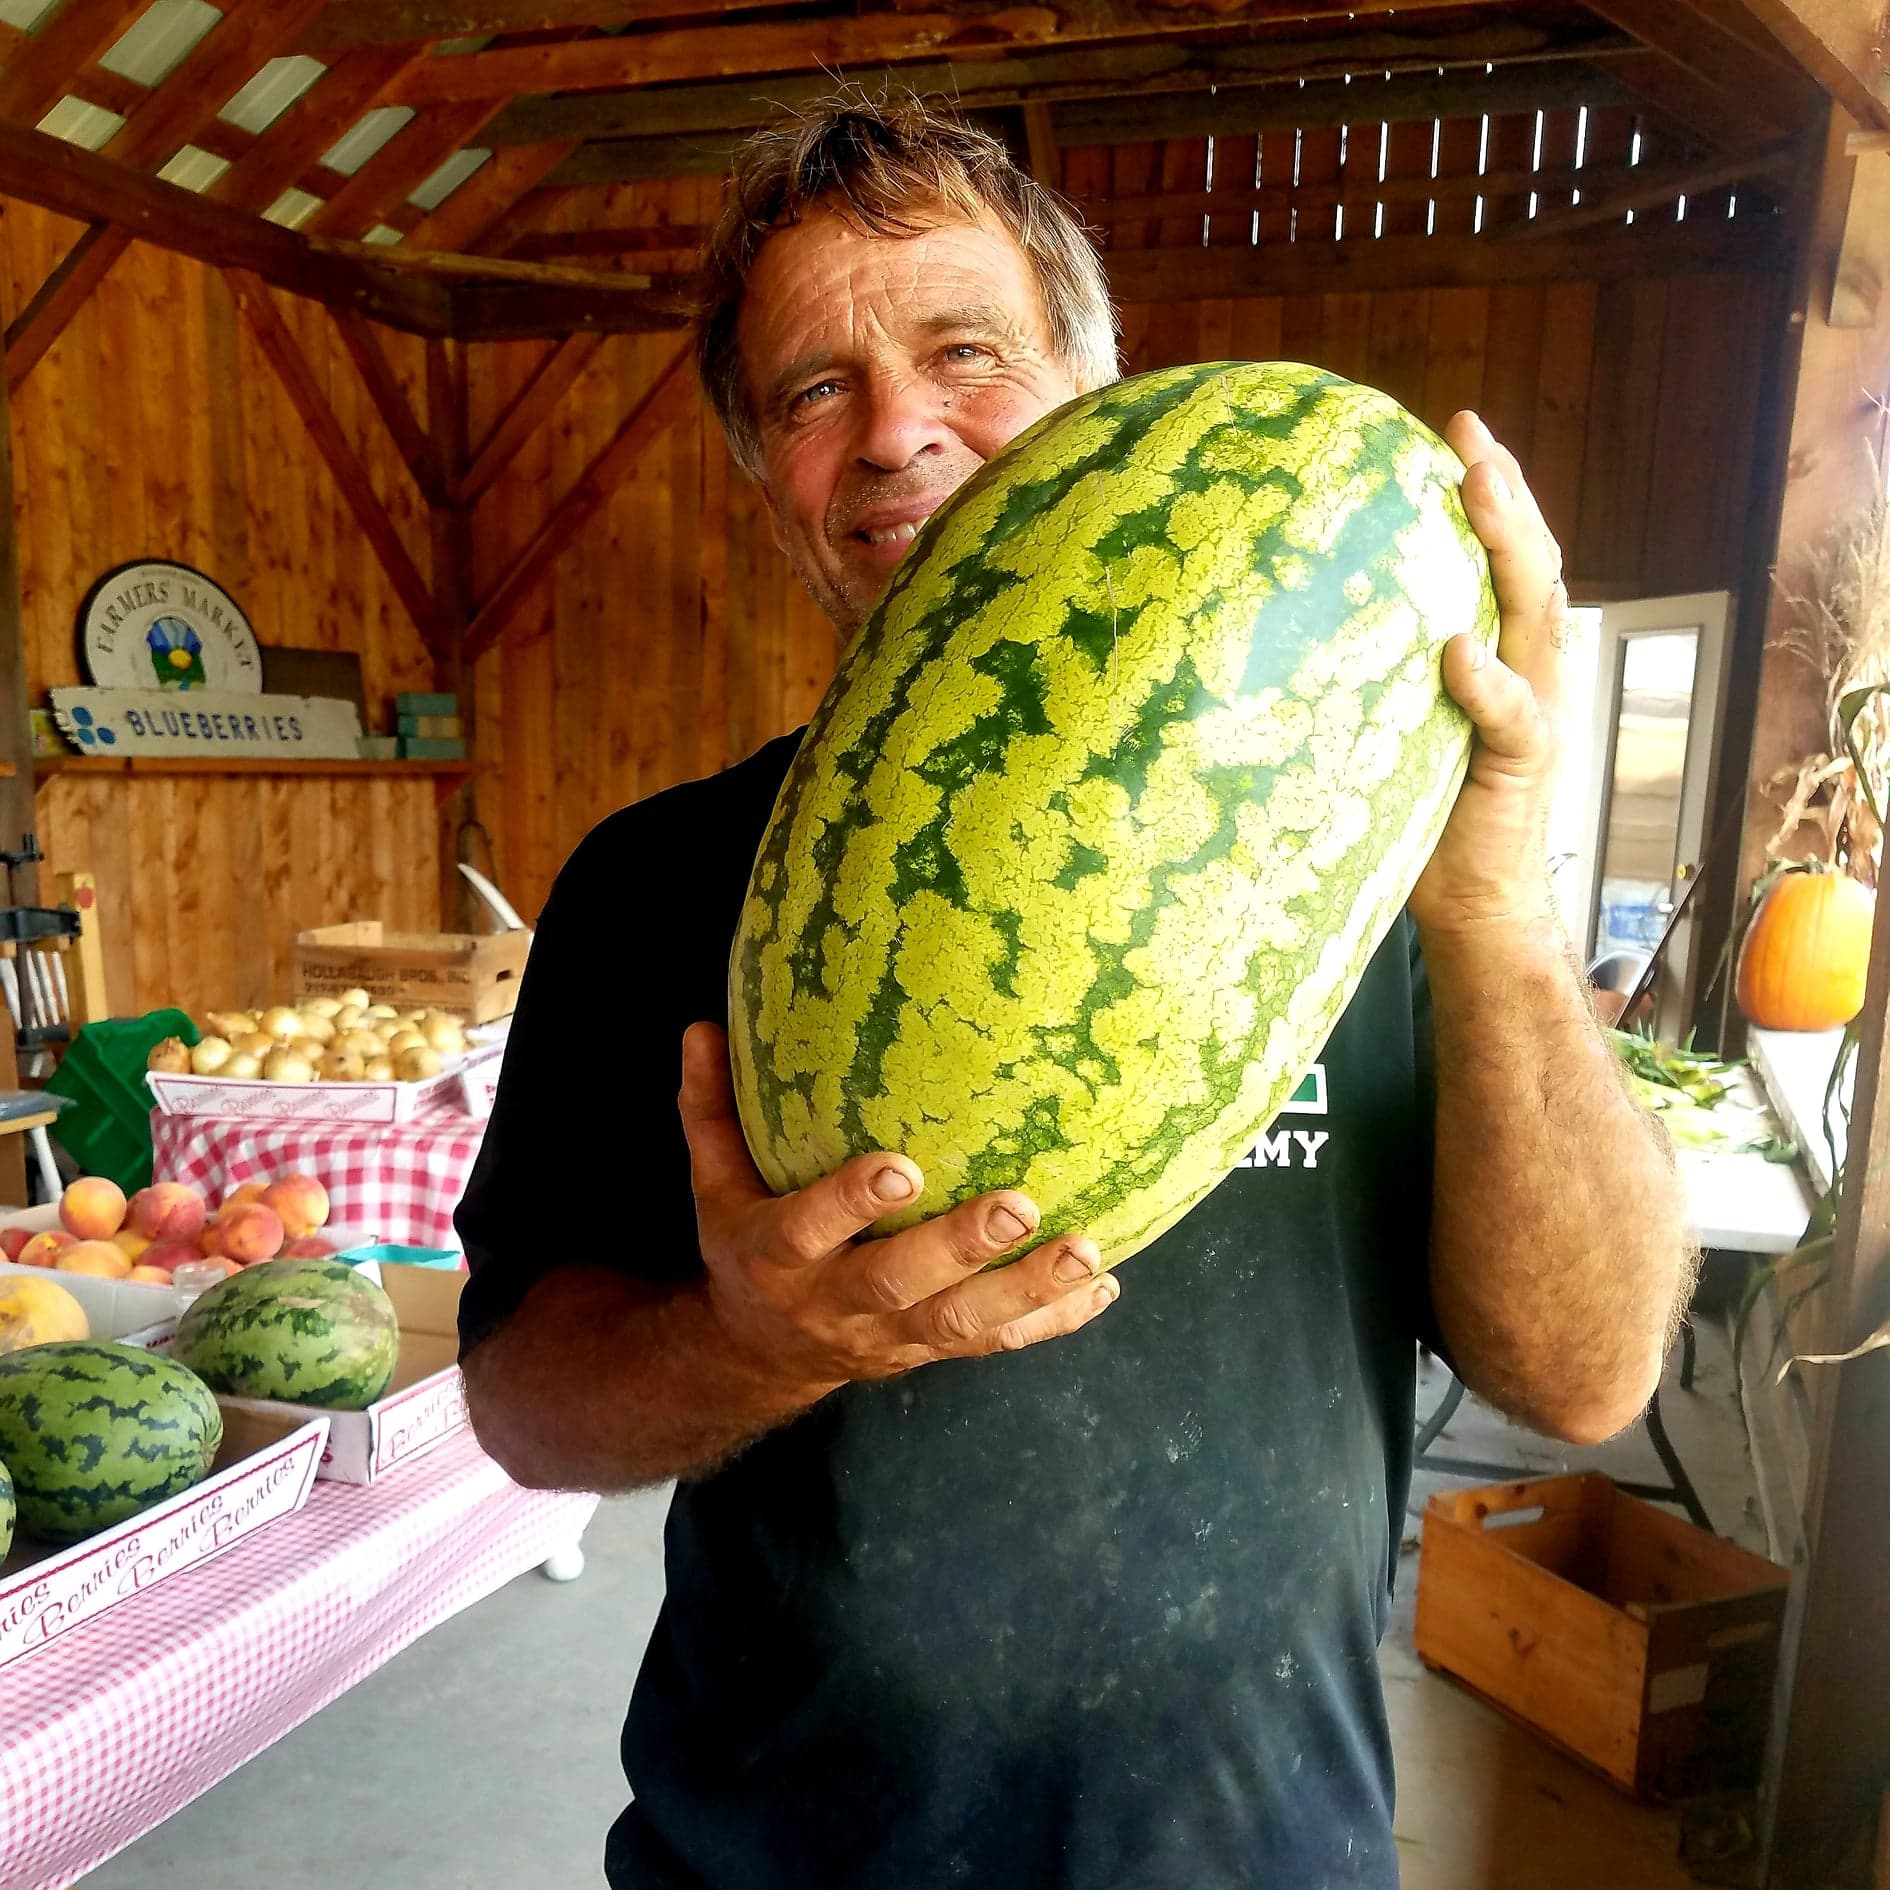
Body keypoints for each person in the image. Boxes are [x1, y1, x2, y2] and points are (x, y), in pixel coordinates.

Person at [455, 93, 1695, 1890]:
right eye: (813, 391)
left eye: (966, 351)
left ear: (1099, 408)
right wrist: (755, 1339)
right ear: (768, 475)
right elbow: (519, 1409)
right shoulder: (650, 881)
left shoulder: (1378, 860)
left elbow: (1584, 1379)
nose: (895, 431)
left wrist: (1493, 911)